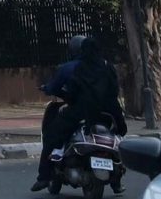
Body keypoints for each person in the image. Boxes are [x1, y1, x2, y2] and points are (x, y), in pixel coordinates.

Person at [34, 35, 125, 194]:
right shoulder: (107, 66)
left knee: (52, 135)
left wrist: (65, 96)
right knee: (119, 135)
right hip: (109, 112)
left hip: (83, 112)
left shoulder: (76, 68)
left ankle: (44, 176)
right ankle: (116, 183)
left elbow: (71, 91)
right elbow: (115, 89)